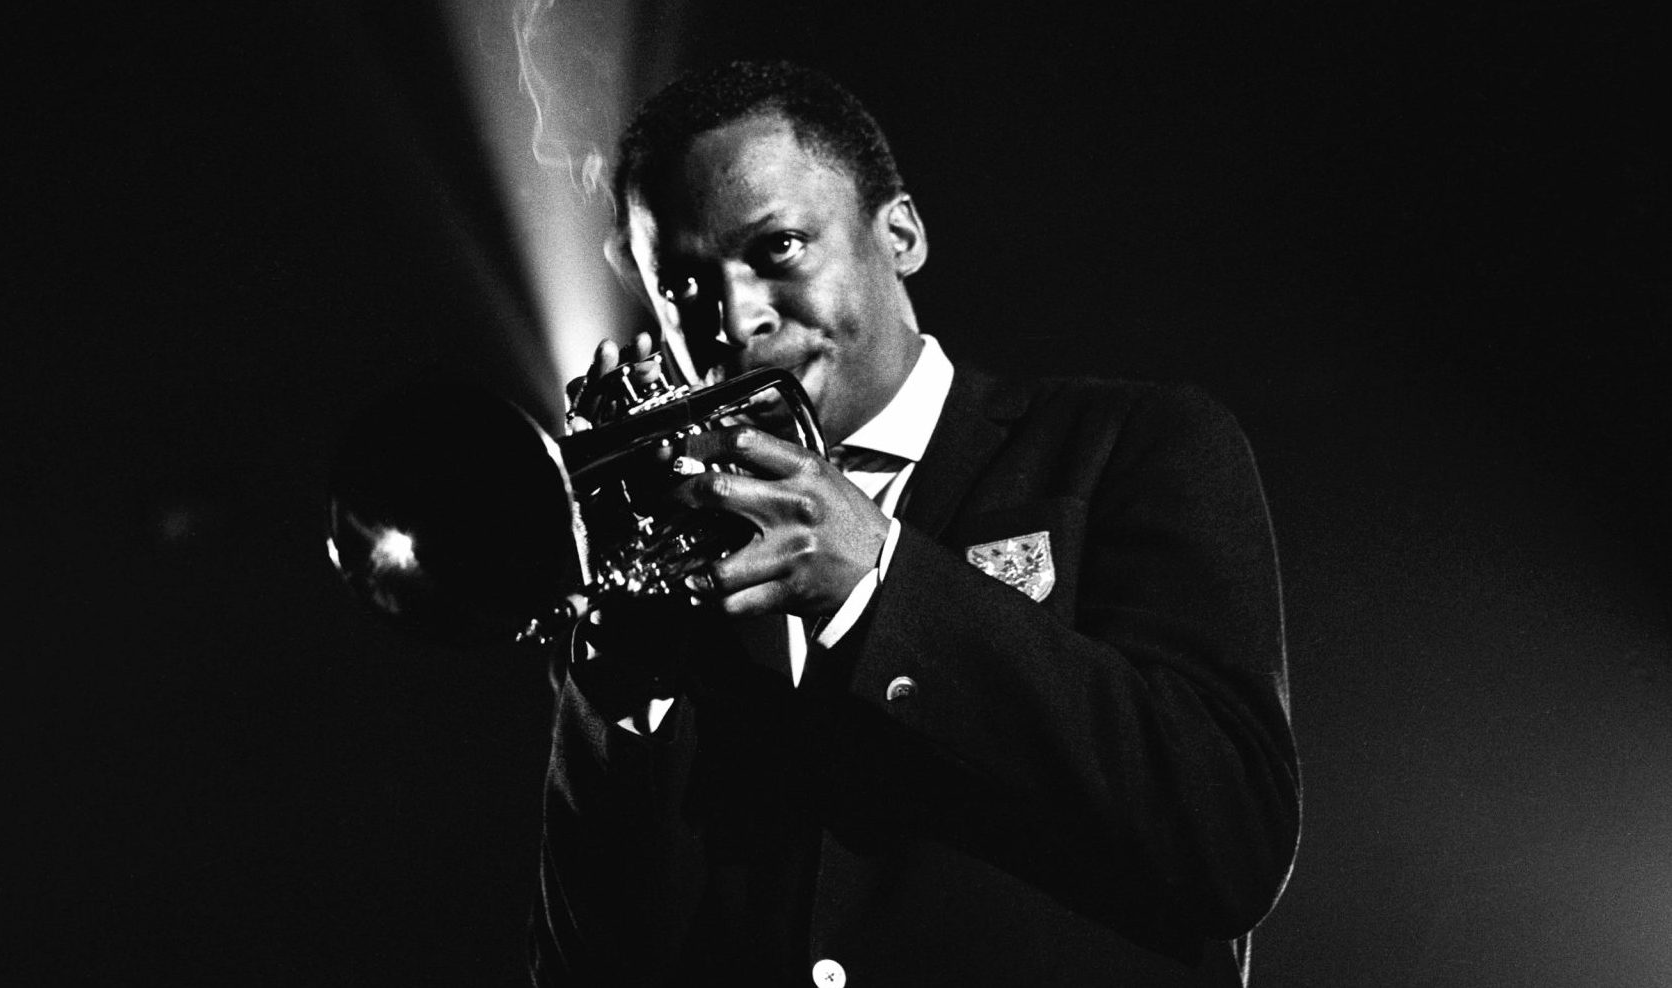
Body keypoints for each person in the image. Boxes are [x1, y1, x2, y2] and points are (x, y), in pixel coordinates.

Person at [531, 60, 1299, 987]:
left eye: (776, 251)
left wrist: (880, 583)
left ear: (900, 233)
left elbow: (1231, 840)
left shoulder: (1132, 445)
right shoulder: (682, 575)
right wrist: (619, 710)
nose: (734, 320)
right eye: (684, 289)